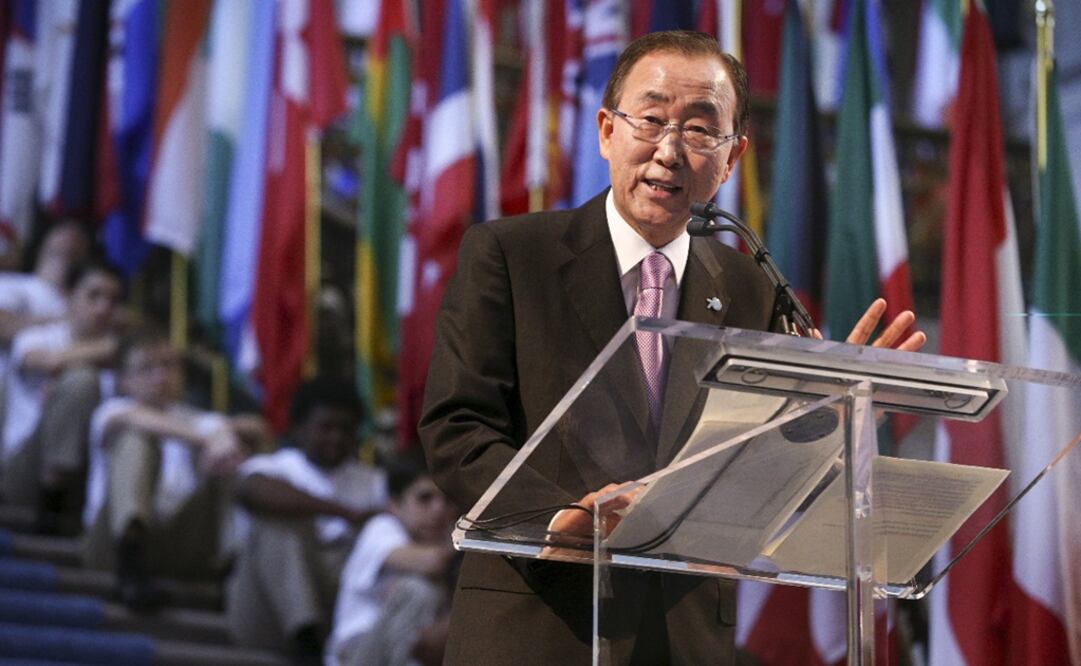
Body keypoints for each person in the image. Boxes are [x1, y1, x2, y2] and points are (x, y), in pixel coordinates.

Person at [418, 30, 925, 664]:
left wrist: (830, 420)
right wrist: (556, 518)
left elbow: (754, 462)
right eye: (651, 119)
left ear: (733, 156)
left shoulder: (750, 285)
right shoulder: (512, 256)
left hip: (684, 637)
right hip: (540, 624)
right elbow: (457, 427)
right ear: (607, 130)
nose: (669, 150)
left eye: (698, 129)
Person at [80, 328, 268, 609]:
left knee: (230, 464)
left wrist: (228, 436)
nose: (161, 376)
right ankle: (130, 567)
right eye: (147, 368)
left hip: (179, 541)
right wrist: (211, 437)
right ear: (125, 380)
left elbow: (258, 431)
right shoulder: (112, 410)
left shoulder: (201, 420)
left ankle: (234, 571)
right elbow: (141, 420)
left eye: (169, 365)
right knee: (136, 440)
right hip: (110, 546)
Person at [227, 376, 387, 661]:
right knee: (279, 524)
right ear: (299, 428)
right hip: (264, 617)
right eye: (325, 427)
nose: (336, 437)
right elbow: (248, 490)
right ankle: (305, 637)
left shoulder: (375, 483)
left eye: (346, 429)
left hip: (336, 613)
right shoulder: (274, 465)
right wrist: (345, 512)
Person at [1, 259, 125, 534]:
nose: (104, 308)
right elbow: (46, 360)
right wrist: (108, 350)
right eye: (94, 295)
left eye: (113, 300)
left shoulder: (127, 360)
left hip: (90, 475)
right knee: (81, 381)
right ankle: (52, 497)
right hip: (26, 471)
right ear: (69, 297)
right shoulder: (38, 337)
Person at [326, 453, 457, 666]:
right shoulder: (381, 527)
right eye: (425, 498)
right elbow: (433, 562)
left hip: (411, 653)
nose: (439, 509)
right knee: (416, 590)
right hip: (357, 654)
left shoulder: (442, 539)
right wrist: (466, 538)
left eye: (448, 500)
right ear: (395, 504)